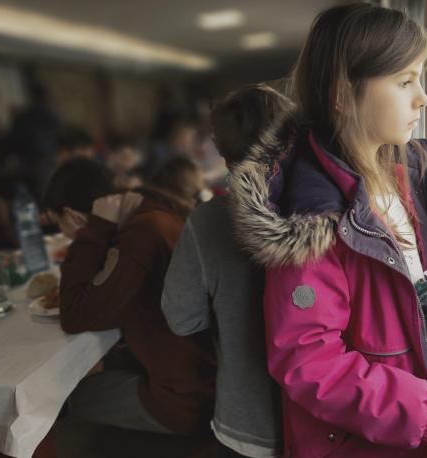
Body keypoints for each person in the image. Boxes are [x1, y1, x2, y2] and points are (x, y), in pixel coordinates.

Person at [228, 4, 427, 457]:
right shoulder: (313, 219)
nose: (422, 98)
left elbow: (399, 281)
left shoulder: (397, 178)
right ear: (343, 95)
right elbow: (307, 360)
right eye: (405, 81)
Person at [42, 157, 215, 450]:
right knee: (97, 367)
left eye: (62, 227)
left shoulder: (141, 232)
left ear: (71, 216)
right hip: (200, 377)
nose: (67, 236)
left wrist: (93, 231)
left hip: (184, 398)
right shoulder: (152, 209)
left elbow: (74, 315)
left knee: (63, 397)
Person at [161, 83, 292, 458]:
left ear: (223, 150)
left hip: (246, 424)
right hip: (325, 421)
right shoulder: (327, 206)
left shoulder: (210, 221)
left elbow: (181, 318)